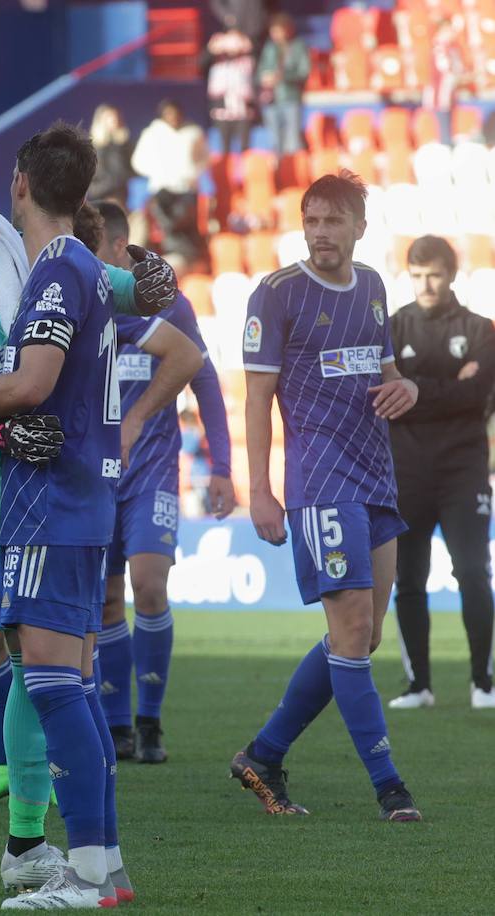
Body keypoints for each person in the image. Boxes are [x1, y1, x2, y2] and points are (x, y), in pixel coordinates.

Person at [0, 128, 180, 903]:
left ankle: (24, 845)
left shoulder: (23, 251)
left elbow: (104, 290)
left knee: (31, 677)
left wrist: (147, 287)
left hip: (30, 490)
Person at [233, 171, 423, 823]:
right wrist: (258, 490)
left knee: (364, 637)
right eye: (311, 220)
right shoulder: (277, 294)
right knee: (350, 630)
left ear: (359, 227)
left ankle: (262, 754)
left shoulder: (372, 287)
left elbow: (387, 371)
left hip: (376, 478)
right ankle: (390, 788)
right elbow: (258, 396)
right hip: (320, 482)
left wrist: (411, 389)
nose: (320, 232)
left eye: (333, 221)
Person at [93, 200, 236, 765]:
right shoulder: (82, 300)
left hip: (151, 471)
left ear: (119, 249)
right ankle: (117, 724)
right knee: (105, 601)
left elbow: (204, 382)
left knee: (149, 585)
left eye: (97, 251)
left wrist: (222, 466)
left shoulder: (168, 302)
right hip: (95, 477)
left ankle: (150, 719)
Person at [387, 235, 495, 710]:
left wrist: (413, 392)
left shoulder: (480, 330)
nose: (426, 283)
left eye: (434, 274)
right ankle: (419, 686)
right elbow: (385, 398)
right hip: (406, 472)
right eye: (417, 274)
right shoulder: (392, 327)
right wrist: (450, 387)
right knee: (408, 579)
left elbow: (477, 397)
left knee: (473, 572)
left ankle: (483, 683)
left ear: (452, 275)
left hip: (463, 470)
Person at [131, 100, 208, 269]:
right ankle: (170, 260)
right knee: (167, 225)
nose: (173, 117)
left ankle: (189, 260)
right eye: (168, 113)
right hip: (161, 190)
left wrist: (193, 172)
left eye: (175, 113)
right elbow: (138, 161)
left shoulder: (193, 133)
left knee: (185, 224)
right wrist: (158, 171)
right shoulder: (151, 133)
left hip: (186, 190)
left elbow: (204, 157)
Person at [257, 13, 310, 156]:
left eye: (278, 30)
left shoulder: (298, 46)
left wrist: (283, 77)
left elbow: (304, 72)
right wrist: (264, 78)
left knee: (292, 141)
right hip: (271, 99)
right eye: (273, 31)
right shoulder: (269, 48)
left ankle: (292, 173)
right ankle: (279, 173)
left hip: (290, 97)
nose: (275, 34)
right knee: (275, 141)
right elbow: (260, 69)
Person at [206, 29, 257, 155]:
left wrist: (245, 46)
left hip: (243, 110)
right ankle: (224, 173)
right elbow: (200, 63)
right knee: (224, 146)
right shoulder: (215, 61)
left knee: (245, 146)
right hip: (221, 111)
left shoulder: (248, 60)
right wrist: (212, 49)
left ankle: (248, 173)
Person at [89, 105, 134, 206]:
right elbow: (92, 183)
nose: (115, 120)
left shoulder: (124, 144)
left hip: (125, 194)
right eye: (110, 117)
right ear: (101, 121)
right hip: (104, 196)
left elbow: (130, 171)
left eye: (117, 116)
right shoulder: (93, 148)